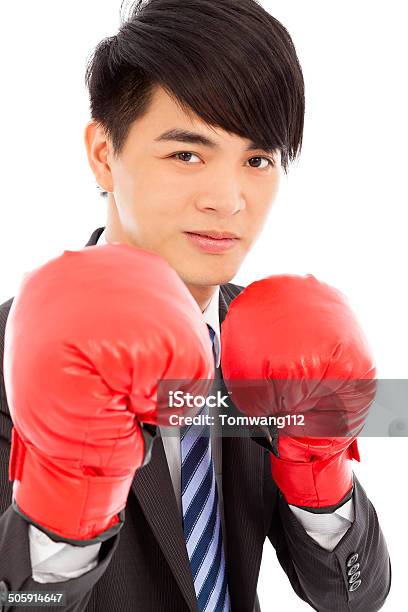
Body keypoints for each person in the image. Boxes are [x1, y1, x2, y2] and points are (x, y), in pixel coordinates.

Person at [0, 1, 391, 611]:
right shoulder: (11, 352)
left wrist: (321, 467)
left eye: (257, 160)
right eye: (187, 154)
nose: (228, 200)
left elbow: (353, 597)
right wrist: (68, 505)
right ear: (105, 153)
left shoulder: (273, 339)